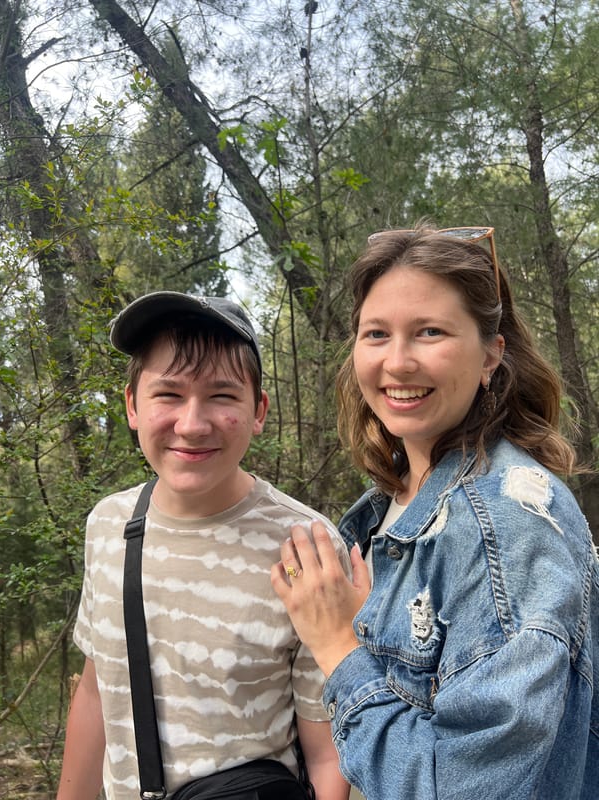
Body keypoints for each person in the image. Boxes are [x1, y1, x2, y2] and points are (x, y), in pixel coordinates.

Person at [272, 225, 599, 800]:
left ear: (491, 355)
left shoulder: (507, 526)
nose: (397, 362)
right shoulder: (387, 506)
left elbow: (464, 787)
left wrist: (337, 647)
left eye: (430, 332)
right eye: (376, 333)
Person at [57, 291, 350, 800]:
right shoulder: (109, 523)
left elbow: (327, 751)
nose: (192, 424)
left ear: (258, 411)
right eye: (168, 394)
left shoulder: (306, 547)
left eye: (221, 395)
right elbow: (97, 691)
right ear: (132, 406)